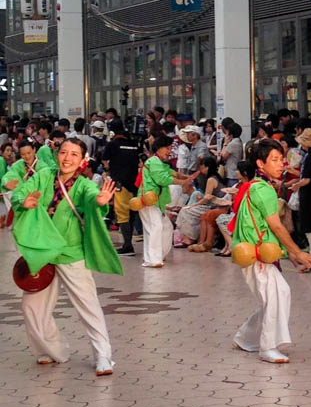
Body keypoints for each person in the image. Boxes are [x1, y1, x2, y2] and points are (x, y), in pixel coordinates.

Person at [11, 138, 121, 375]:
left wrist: (100, 202)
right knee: (31, 307)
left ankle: (103, 356)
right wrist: (24, 202)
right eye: (63, 152)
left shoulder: (83, 184)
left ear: (83, 160)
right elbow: (21, 193)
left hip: (71, 253)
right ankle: (51, 349)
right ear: (56, 154)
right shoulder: (44, 175)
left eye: (74, 154)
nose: (67, 158)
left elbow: (92, 196)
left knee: (88, 306)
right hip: (43, 251)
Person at [231, 139, 311, 363]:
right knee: (277, 295)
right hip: (257, 253)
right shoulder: (263, 189)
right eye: (274, 160)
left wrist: (290, 253)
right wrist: (298, 252)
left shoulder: (256, 186)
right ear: (260, 164)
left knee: (274, 296)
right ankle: (267, 347)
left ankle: (245, 338)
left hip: (258, 251)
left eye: (281, 159)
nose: (281, 164)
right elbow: (276, 226)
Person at [137, 135, 192, 268]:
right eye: (167, 148)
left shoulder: (159, 162)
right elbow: (162, 179)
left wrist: (185, 177)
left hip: (155, 202)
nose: (169, 151)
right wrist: (182, 181)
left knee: (164, 227)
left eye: (170, 148)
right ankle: (153, 259)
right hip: (149, 201)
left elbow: (172, 173)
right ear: (159, 148)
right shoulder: (155, 161)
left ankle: (156, 256)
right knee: (155, 228)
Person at [102, 120, 142, 256]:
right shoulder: (134, 144)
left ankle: (128, 245)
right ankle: (128, 243)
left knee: (122, 214)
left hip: (120, 184)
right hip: (135, 184)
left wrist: (109, 169)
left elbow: (105, 162)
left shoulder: (112, 145)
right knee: (131, 213)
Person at [177, 156, 229, 247]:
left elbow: (206, 199)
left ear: (207, 167)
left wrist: (194, 205)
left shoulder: (211, 179)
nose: (201, 169)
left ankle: (190, 238)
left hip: (214, 205)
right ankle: (190, 238)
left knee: (186, 211)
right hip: (212, 204)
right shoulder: (214, 178)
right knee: (186, 210)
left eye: (202, 167)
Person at [286, 127, 311, 252]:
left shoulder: (310, 157)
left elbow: (306, 179)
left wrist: (297, 185)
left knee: (310, 227)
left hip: (308, 195)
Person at [220, 120, 244, 187]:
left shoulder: (232, 144)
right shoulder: (239, 141)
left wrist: (225, 143)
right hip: (235, 171)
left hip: (231, 173)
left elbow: (223, 156)